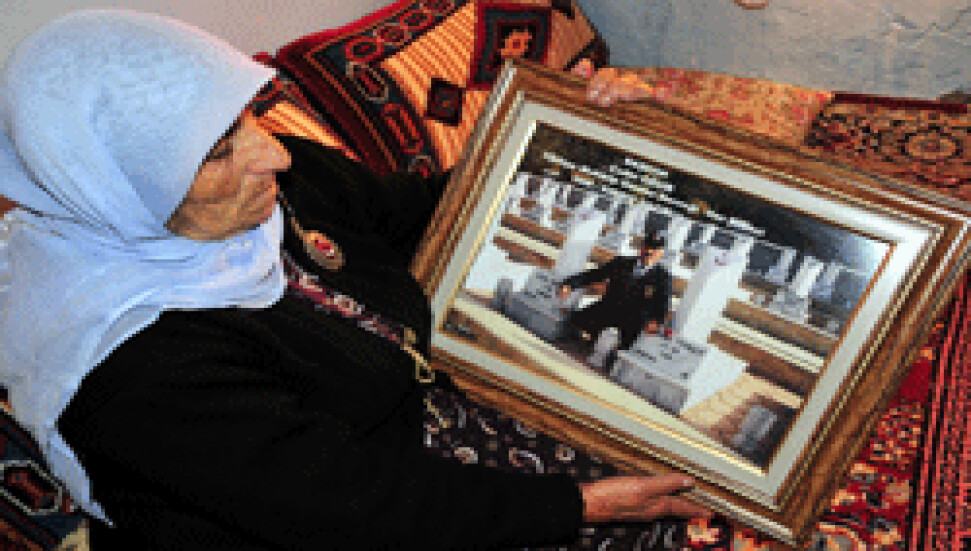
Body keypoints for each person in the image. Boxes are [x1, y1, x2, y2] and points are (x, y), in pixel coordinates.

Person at [0, 9, 708, 550]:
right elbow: (350, 503)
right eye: (221, 150)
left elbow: (428, 215)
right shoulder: (134, 370)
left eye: (246, 114)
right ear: (118, 189)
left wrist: (569, 135)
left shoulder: (273, 184)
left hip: (425, 428)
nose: (272, 152)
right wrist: (579, 505)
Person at [557, 231, 673, 358]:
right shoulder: (621, 263)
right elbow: (594, 275)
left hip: (631, 324)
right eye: (647, 247)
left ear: (661, 253)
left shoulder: (663, 278)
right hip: (606, 312)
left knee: (618, 353)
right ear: (641, 248)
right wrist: (569, 284)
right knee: (570, 324)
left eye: (655, 249)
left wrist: (655, 321)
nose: (649, 252)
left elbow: (663, 305)